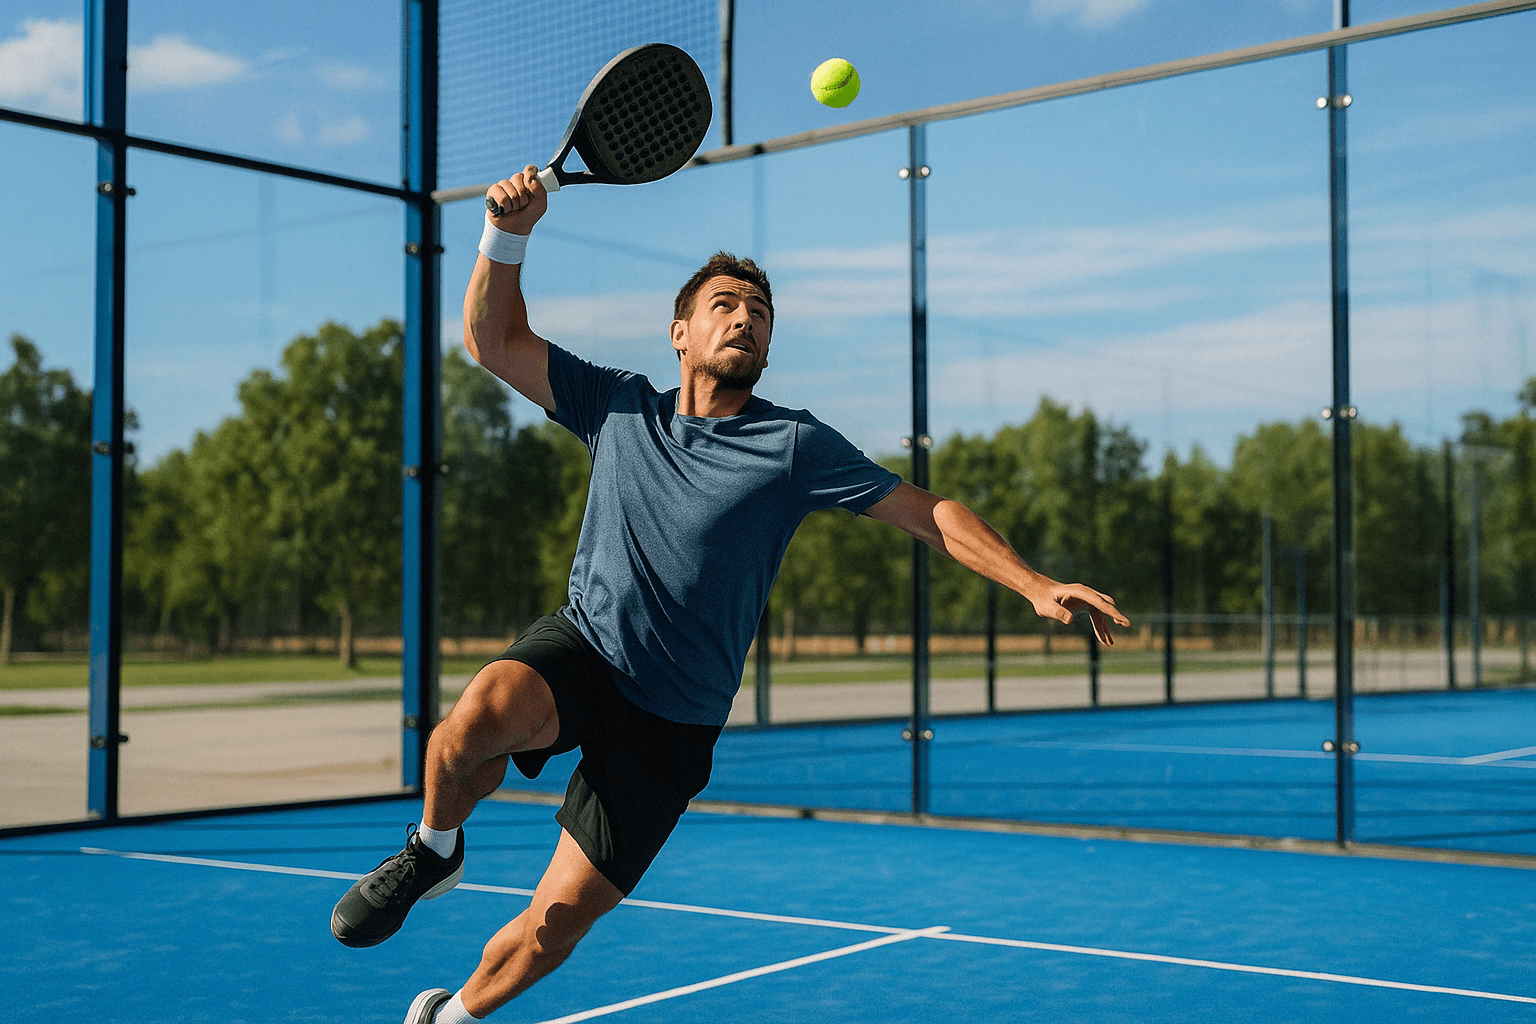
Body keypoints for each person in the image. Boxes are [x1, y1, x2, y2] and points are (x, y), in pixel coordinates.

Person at [330, 165, 1131, 1024]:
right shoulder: (615, 405)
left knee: (555, 923)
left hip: (674, 721)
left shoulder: (793, 445)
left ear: (768, 348)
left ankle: (449, 1018)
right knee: (475, 719)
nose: (745, 317)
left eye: (760, 312)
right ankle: (434, 850)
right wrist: (507, 233)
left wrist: (1034, 582)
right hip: (589, 648)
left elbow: (927, 512)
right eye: (725, 304)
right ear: (680, 333)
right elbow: (493, 340)